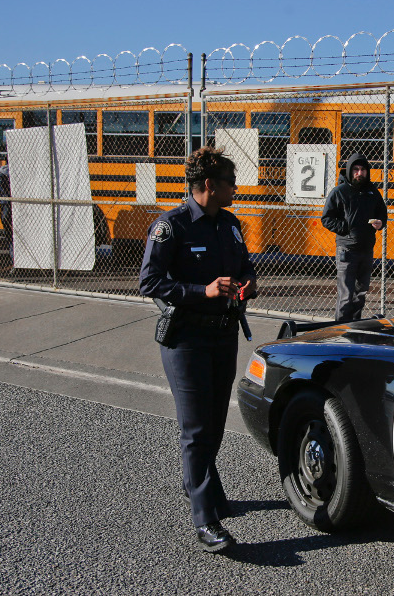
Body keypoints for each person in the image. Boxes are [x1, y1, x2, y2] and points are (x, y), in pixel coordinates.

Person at [139, 146, 257, 554]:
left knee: (216, 423)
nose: (236, 189)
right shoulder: (171, 227)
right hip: (186, 340)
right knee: (196, 428)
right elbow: (150, 283)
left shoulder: (230, 224)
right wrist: (200, 291)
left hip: (223, 335)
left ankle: (197, 484)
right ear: (209, 185)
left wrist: (246, 283)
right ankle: (206, 519)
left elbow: (246, 265)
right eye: (230, 182)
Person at [321, 153, 387, 322]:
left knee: (361, 294)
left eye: (363, 170)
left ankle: (355, 329)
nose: (359, 173)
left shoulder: (372, 192)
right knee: (346, 296)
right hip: (347, 250)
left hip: (366, 249)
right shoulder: (339, 192)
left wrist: (381, 223)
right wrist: (345, 227)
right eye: (356, 170)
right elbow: (326, 219)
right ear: (350, 171)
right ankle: (340, 331)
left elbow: (382, 213)